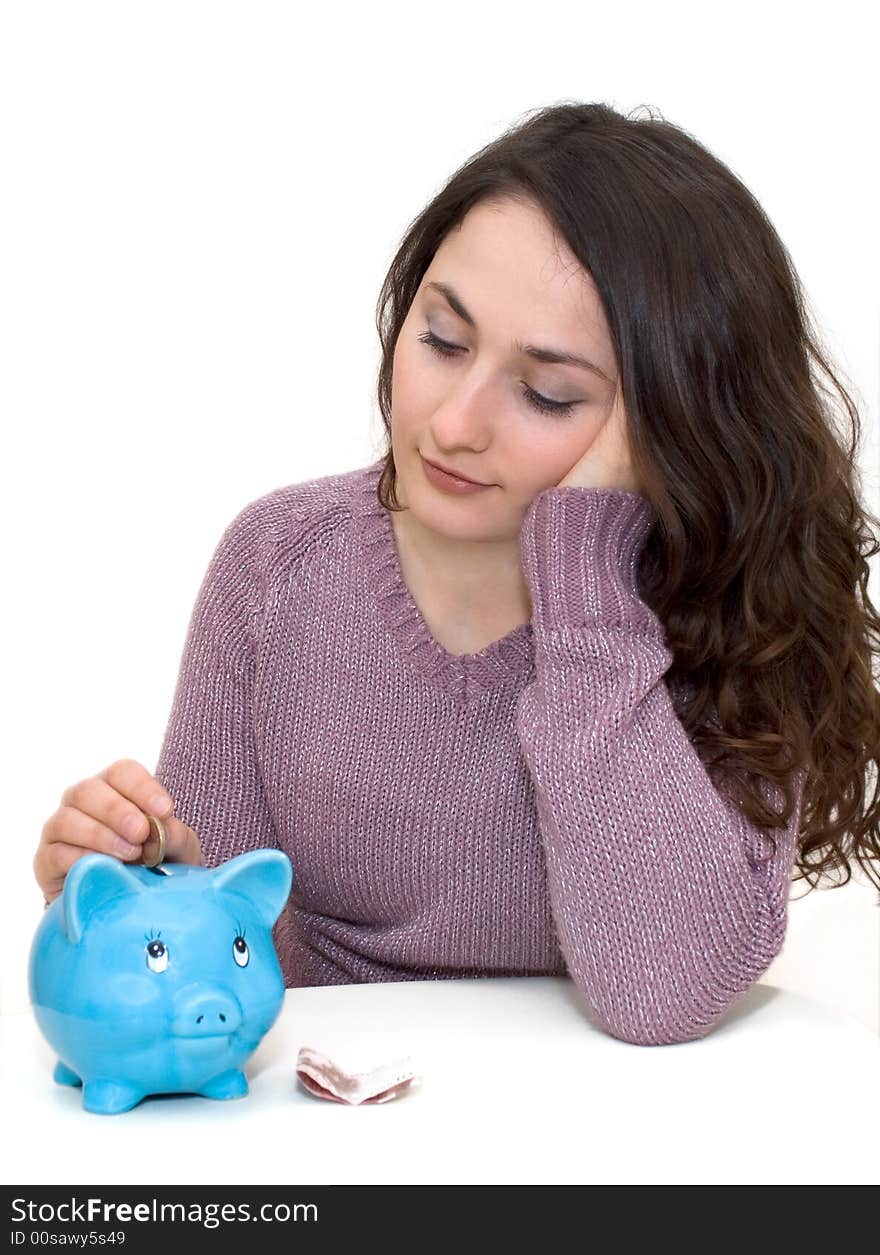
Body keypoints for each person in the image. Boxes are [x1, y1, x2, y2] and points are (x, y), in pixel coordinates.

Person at [33, 101, 880, 1046]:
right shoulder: (276, 566)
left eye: (547, 391)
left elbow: (667, 992)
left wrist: (590, 588)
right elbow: (222, 975)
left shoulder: (731, 603)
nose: (453, 423)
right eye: (442, 340)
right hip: (339, 1115)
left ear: (662, 426)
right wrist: (143, 883)